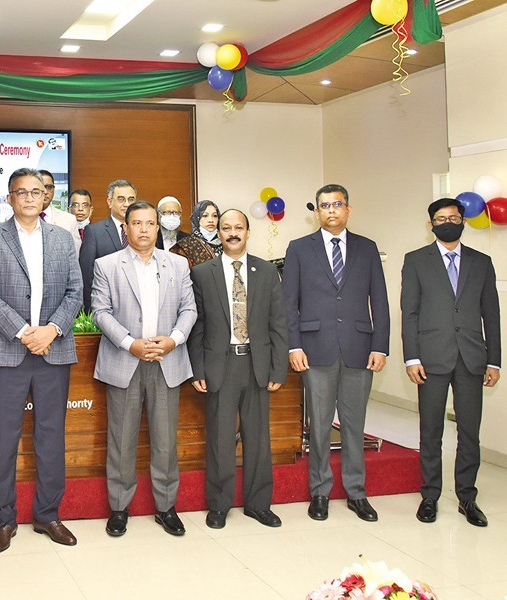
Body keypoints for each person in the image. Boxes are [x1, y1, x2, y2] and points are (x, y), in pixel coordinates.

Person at [0, 168, 83, 554]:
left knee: (51, 436)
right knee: (4, 439)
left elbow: (75, 291)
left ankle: (48, 514)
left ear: (45, 197)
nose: (31, 198)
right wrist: (23, 332)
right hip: (7, 352)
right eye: (23, 192)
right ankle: (4, 519)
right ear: (11, 198)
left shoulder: (63, 238)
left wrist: (51, 330)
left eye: (38, 191)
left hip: (53, 350)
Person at [282, 184, 389, 523]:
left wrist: (380, 345)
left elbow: (381, 302)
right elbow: (289, 304)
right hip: (315, 349)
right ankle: (320, 492)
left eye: (337, 204)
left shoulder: (367, 248)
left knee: (355, 426)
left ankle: (357, 493)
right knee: (320, 426)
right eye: (324, 205)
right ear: (317, 211)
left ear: (348, 209)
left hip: (360, 348)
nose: (331, 210)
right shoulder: (299, 248)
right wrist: (293, 344)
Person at [91, 201, 196, 537]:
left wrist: (175, 339)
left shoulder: (178, 264)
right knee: (121, 440)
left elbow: (189, 309)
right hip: (125, 361)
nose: (145, 229)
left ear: (157, 226)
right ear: (126, 228)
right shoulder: (106, 265)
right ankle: (119, 508)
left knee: (165, 440)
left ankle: (166, 507)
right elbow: (100, 311)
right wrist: (130, 343)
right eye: (137, 223)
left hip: (167, 360)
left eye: (151, 223)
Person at [401, 198, 500, 527]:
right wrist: (411, 357)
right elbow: (410, 313)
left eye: (454, 217)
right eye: (441, 218)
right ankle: (429, 495)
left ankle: (467, 497)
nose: (448, 222)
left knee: (469, 432)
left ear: (463, 221)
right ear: (431, 224)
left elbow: (492, 315)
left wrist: (495, 361)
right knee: (431, 430)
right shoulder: (416, 261)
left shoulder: (482, 262)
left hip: (472, 357)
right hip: (430, 358)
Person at [188, 209, 288, 530]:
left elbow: (278, 323)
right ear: (218, 232)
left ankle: (258, 504)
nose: (232, 233)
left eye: (239, 228)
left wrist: (277, 368)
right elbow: (197, 325)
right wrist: (197, 369)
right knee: (220, 437)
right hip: (221, 363)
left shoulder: (267, 272)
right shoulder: (203, 273)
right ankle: (219, 504)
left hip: (257, 363)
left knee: (258, 437)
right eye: (226, 227)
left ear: (248, 232)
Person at [79, 179, 138, 312]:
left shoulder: (143, 231)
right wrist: (91, 311)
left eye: (131, 199)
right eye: (121, 199)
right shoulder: (94, 232)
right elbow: (87, 275)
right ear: (109, 202)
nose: (127, 204)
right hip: (106, 308)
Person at [39, 169, 82, 255]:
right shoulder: (20, 219)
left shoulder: (69, 220)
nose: (46, 192)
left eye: (49, 187)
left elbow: (75, 255)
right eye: (41, 187)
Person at [171, 200, 222, 269]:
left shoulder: (226, 243)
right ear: (196, 218)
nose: (211, 220)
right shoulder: (185, 245)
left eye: (215, 216)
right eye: (205, 215)